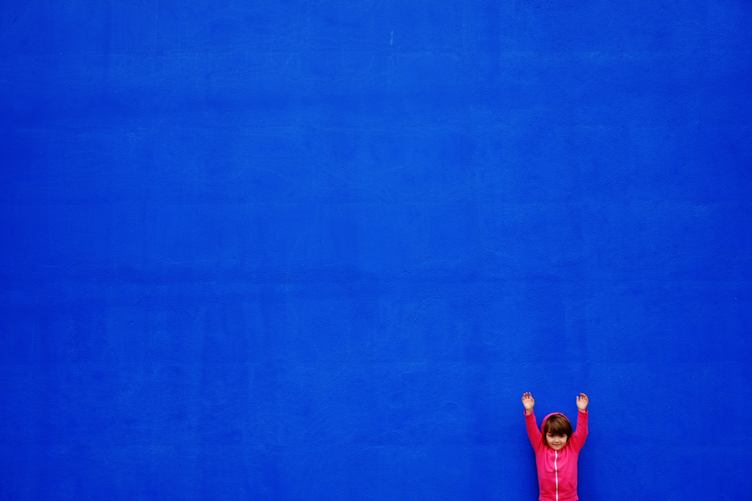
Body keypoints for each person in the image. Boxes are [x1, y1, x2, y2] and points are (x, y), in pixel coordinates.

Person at [521, 392, 589, 501]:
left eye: (561, 436)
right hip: (546, 498)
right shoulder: (540, 447)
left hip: (570, 498)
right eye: (551, 436)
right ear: (545, 435)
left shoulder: (573, 447)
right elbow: (531, 429)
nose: (556, 440)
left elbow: (582, 432)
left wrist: (582, 411)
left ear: (568, 436)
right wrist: (529, 411)